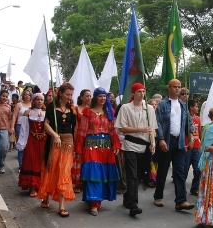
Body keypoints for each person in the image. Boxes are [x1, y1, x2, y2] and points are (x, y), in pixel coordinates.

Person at [115, 83, 157, 216]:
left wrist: (153, 142)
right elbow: (121, 128)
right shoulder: (125, 108)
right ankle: (133, 205)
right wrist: (139, 129)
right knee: (132, 175)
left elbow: (152, 129)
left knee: (139, 175)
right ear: (133, 93)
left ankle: (128, 196)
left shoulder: (149, 109)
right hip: (130, 145)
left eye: (143, 91)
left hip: (144, 146)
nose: (141, 94)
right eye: (139, 91)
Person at [153, 79, 195, 211]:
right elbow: (158, 123)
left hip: (180, 142)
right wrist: (160, 139)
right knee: (163, 170)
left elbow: (188, 123)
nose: (178, 89)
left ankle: (181, 201)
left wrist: (191, 136)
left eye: (179, 87)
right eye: (175, 87)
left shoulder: (183, 105)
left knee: (180, 171)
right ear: (169, 88)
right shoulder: (163, 105)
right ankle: (158, 196)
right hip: (167, 140)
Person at [79, 87, 120, 216]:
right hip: (91, 146)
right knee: (93, 173)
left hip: (106, 147)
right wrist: (78, 149)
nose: (103, 98)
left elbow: (113, 130)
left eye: (104, 96)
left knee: (104, 174)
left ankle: (98, 199)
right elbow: (82, 131)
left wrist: (116, 145)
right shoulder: (87, 112)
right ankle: (94, 203)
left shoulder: (109, 112)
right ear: (95, 98)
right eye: (100, 96)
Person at [38, 82, 76, 218]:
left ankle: (61, 206)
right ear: (60, 93)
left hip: (68, 142)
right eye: (67, 94)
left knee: (64, 173)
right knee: (51, 169)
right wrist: (55, 136)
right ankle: (45, 197)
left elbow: (75, 128)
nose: (69, 97)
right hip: (54, 141)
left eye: (71, 95)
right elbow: (45, 125)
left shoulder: (73, 109)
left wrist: (75, 145)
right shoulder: (51, 107)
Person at [16, 93, 46, 197]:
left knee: (42, 162)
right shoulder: (27, 113)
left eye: (41, 99)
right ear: (33, 101)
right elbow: (24, 130)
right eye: (37, 99)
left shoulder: (46, 113)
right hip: (32, 140)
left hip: (43, 141)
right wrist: (22, 143)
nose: (40, 101)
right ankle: (33, 186)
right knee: (32, 162)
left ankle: (42, 185)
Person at [72, 89, 91, 193]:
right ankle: (76, 183)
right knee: (77, 159)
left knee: (87, 159)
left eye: (90, 96)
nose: (89, 98)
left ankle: (86, 182)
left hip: (90, 137)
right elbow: (73, 125)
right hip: (78, 136)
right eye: (87, 96)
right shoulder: (76, 109)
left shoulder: (93, 109)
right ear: (81, 97)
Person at [10, 90, 32, 171]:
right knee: (21, 145)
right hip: (20, 125)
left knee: (28, 146)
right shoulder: (19, 105)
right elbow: (14, 116)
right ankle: (21, 164)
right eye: (25, 94)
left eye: (28, 95)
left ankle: (27, 164)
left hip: (29, 127)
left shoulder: (33, 105)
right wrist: (12, 127)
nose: (27, 96)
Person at [184, 100, 202, 196]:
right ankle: (181, 188)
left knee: (198, 168)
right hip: (187, 146)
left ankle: (194, 188)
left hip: (197, 147)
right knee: (185, 168)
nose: (197, 108)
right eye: (196, 106)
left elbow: (199, 132)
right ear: (191, 107)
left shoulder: (198, 119)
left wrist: (202, 143)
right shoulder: (185, 118)